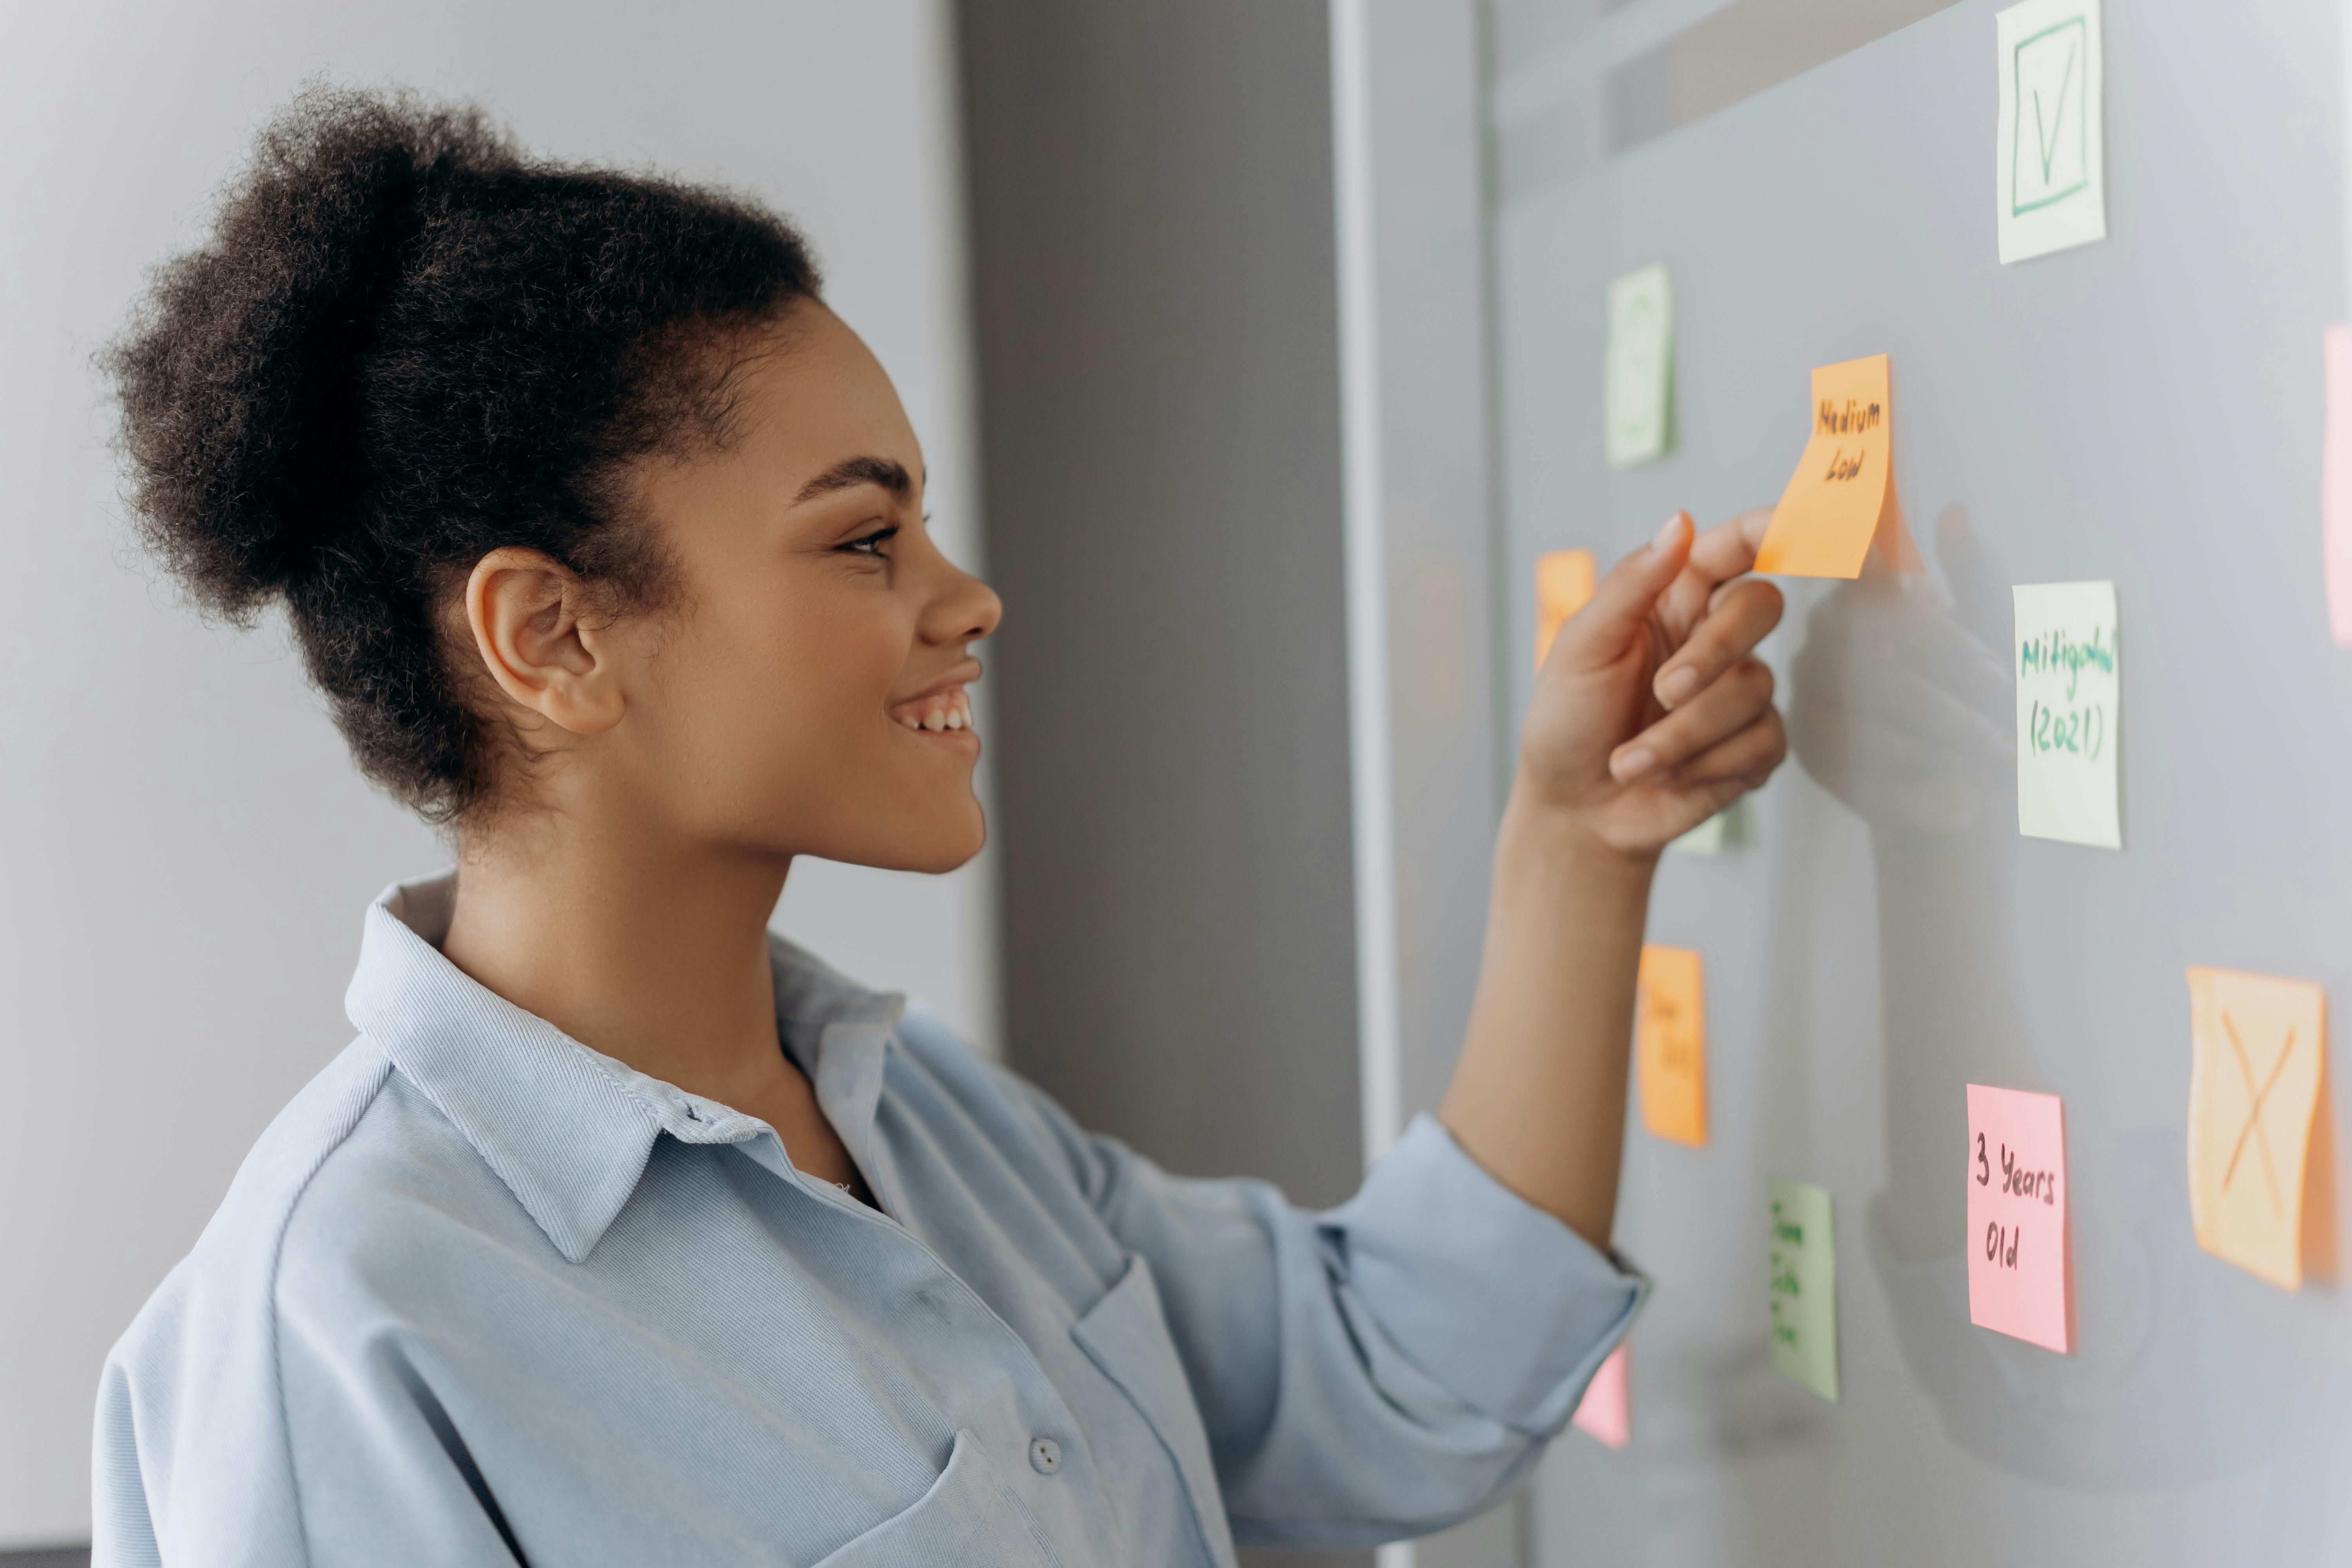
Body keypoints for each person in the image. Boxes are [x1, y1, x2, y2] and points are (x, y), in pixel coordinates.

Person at [92, 87, 1786, 1567]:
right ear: (554, 637)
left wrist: (1580, 839)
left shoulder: (934, 1123)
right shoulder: (330, 1330)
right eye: (860, 541)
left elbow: (1396, 1379)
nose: (966, 599)